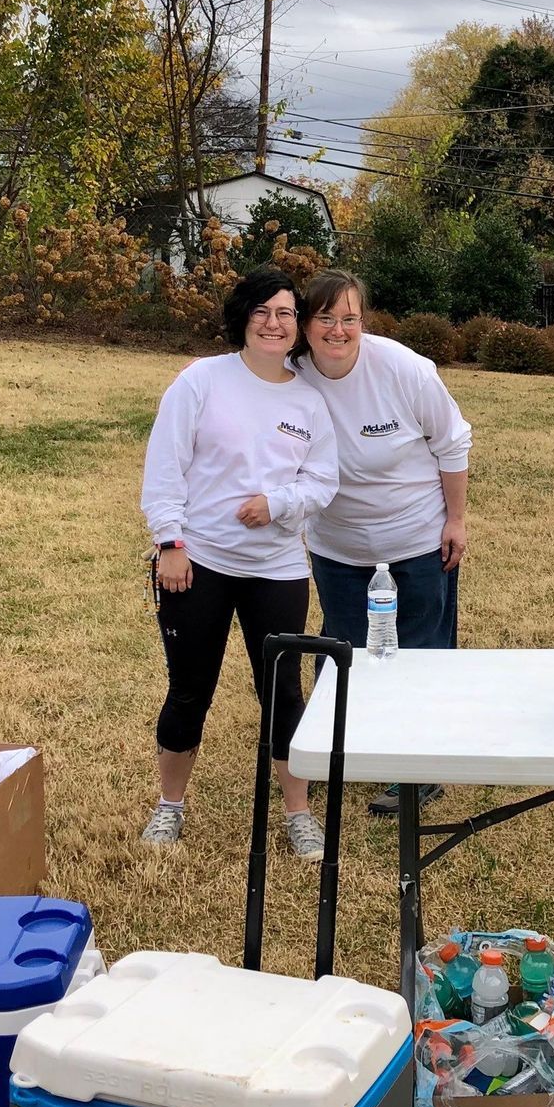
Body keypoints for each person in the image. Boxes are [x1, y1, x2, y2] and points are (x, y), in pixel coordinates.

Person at [138, 266, 339, 859]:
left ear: (296, 326)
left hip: (276, 568)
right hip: (198, 562)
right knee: (188, 690)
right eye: (262, 311)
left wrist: (278, 503)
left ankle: (298, 812)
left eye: (284, 314)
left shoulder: (308, 399)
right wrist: (170, 542)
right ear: (242, 319)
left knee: (283, 692)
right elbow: (165, 465)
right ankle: (169, 806)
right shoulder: (201, 381)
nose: (274, 324)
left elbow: (323, 480)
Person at [291, 269, 471, 817]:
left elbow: (452, 440)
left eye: (350, 318)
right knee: (342, 649)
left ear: (362, 322)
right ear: (306, 324)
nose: (339, 330)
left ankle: (418, 769)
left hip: (416, 537)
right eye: (326, 318)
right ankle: (332, 752)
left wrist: (456, 520)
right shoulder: (291, 374)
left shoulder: (403, 368)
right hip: (337, 545)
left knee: (419, 649)